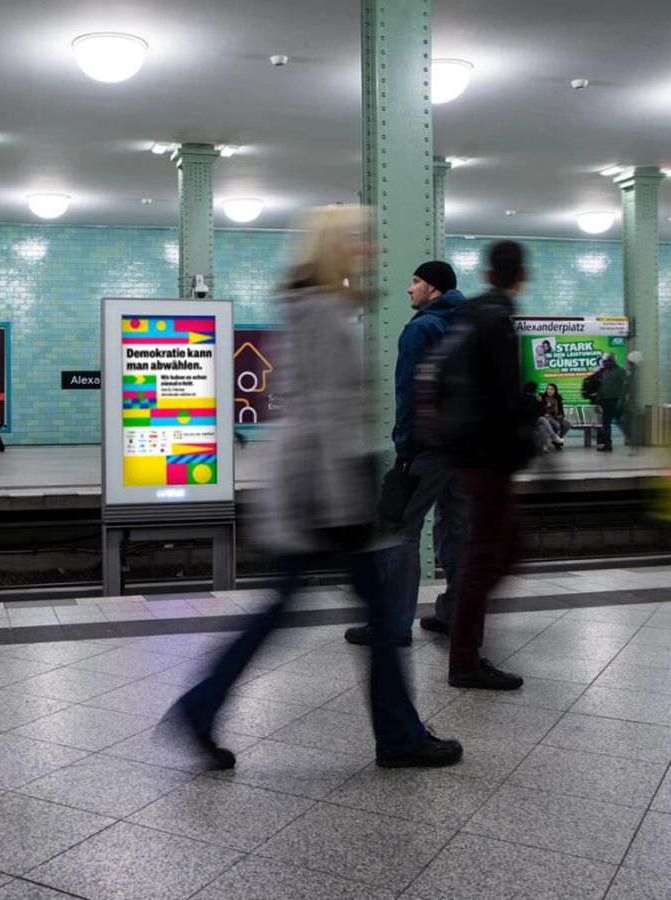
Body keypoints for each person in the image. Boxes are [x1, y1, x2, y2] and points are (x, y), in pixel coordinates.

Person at [172, 206, 463, 769]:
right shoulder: (325, 314)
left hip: (314, 496)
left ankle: (201, 707)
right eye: (359, 240)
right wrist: (352, 509)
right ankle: (399, 738)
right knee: (375, 619)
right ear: (334, 247)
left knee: (287, 614)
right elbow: (327, 420)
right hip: (325, 501)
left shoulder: (313, 307)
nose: (370, 250)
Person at [344, 259, 466, 647]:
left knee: (399, 531)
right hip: (464, 448)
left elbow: (410, 393)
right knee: (456, 529)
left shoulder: (422, 329)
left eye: (415, 282)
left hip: (428, 447)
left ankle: (393, 625)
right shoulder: (468, 324)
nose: (409, 289)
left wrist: (406, 447)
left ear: (434, 288)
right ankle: (454, 614)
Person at [442, 241, 536, 690]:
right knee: (487, 557)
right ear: (522, 275)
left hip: (468, 450)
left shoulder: (469, 314)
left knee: (502, 548)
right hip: (488, 455)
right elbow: (503, 394)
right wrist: (525, 438)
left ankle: (464, 630)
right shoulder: (497, 319)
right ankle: (464, 656)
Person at [594, 353, 627, 452]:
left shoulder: (621, 372)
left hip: (616, 401)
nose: (606, 363)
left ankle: (632, 440)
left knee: (621, 423)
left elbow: (624, 387)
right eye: (605, 362)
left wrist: (621, 401)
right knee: (606, 425)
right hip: (606, 401)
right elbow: (602, 386)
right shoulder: (605, 372)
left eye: (608, 361)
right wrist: (599, 398)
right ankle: (607, 444)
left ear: (613, 362)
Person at [526, 381, 559, 452]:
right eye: (548, 389)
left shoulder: (557, 398)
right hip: (532, 420)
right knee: (543, 420)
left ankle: (546, 445)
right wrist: (545, 406)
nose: (549, 390)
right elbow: (535, 411)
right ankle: (554, 438)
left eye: (551, 389)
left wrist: (559, 415)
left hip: (545, 418)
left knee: (545, 425)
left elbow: (558, 411)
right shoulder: (538, 398)